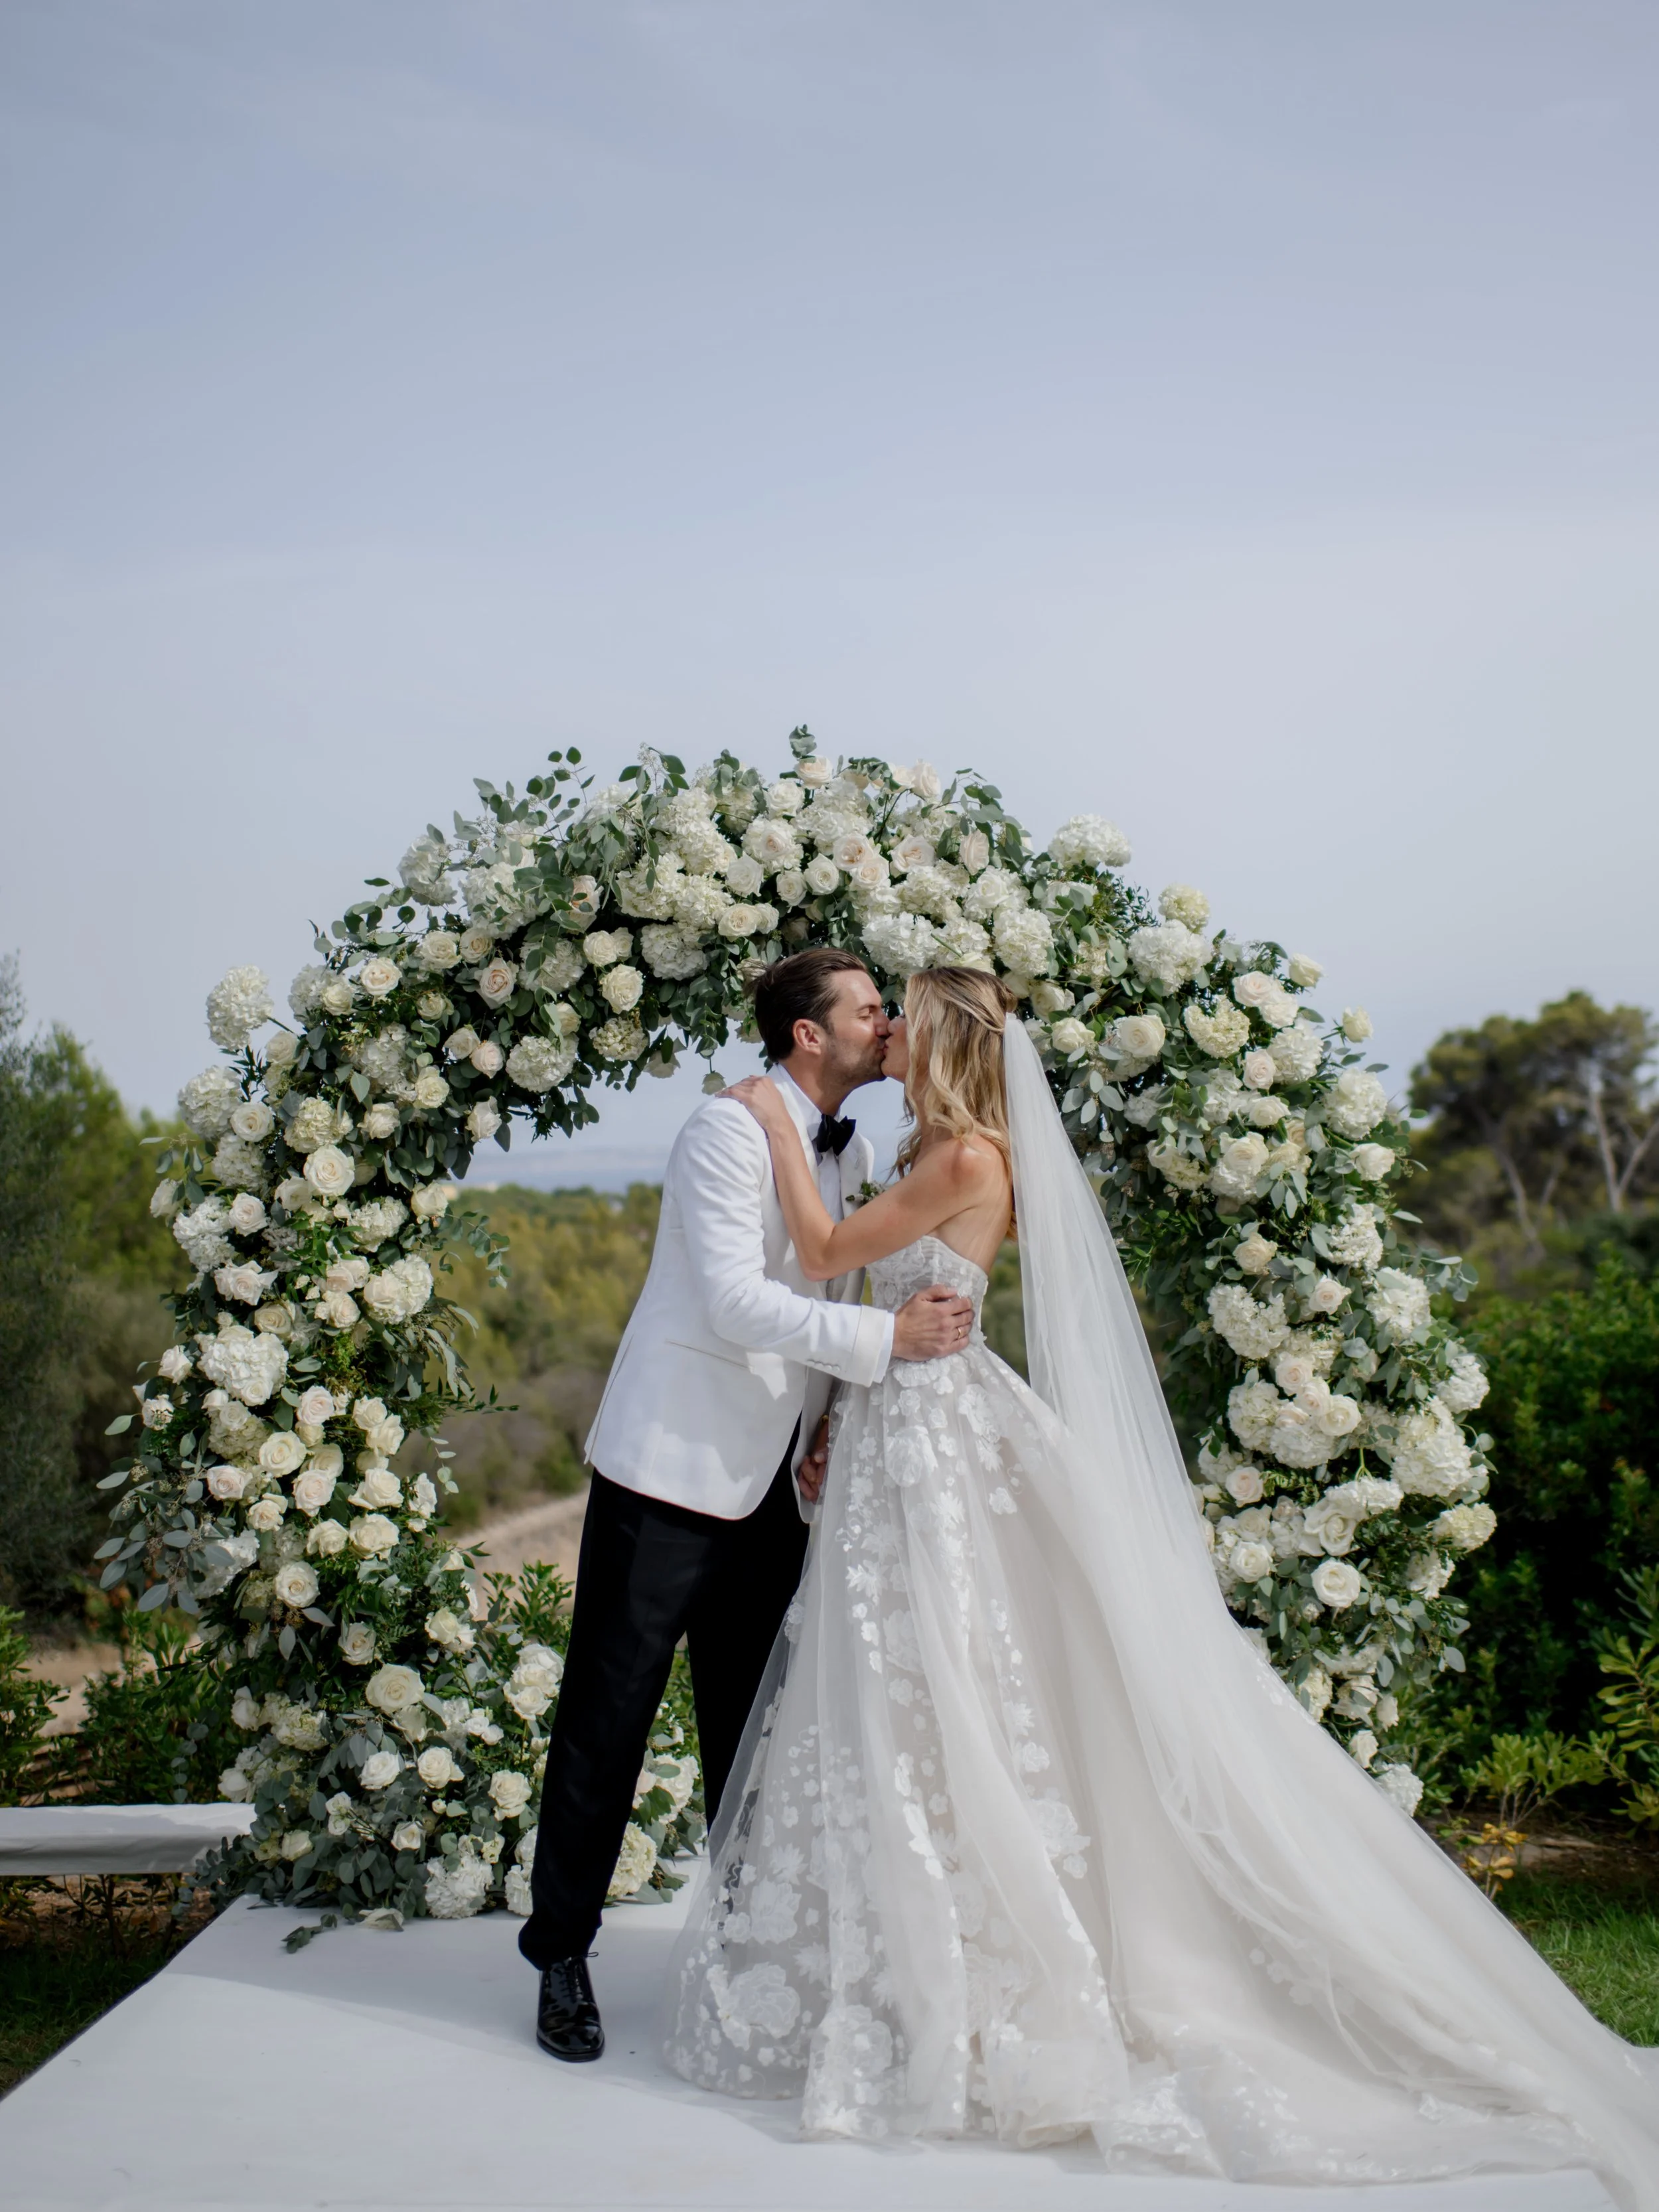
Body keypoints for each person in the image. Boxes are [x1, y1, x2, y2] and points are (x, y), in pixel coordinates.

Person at [666, 966, 1659, 2209]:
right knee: (903, 1691)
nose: (891, 1031)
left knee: (951, 1683)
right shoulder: (931, 1145)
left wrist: (767, 1123)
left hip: (934, 1448)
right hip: (891, 1429)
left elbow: (816, 1249)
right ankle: (907, 1960)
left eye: (906, 1015)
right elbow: (859, 1282)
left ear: (950, 1041)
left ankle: (979, 1976)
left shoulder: (966, 1159)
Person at [518, 948, 975, 2064]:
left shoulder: (856, 1144)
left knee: (758, 1729)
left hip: (779, 1486)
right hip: (668, 1473)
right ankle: (561, 1957)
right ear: (808, 1034)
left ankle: (740, 1945)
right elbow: (734, 1302)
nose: (885, 1023)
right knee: (606, 1723)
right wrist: (883, 1344)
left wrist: (826, 1424)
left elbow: (823, 1279)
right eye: (869, 1010)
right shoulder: (726, 1130)